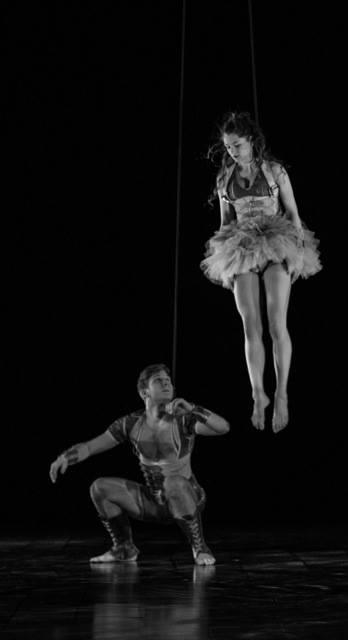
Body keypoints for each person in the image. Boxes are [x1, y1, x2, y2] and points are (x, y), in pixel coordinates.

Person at [201, 112, 322, 433]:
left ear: (251, 141)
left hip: (275, 241)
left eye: (237, 145)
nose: (232, 152)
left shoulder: (274, 171)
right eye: (228, 147)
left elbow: (293, 213)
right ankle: (258, 394)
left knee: (276, 322)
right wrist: (223, 262)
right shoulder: (225, 178)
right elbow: (225, 222)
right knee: (250, 325)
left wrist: (297, 254)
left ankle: (281, 394)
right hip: (241, 247)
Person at [49, 363, 229, 566]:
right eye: (158, 381)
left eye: (168, 380)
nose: (166, 383)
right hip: (153, 502)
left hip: (188, 497)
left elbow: (223, 428)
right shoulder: (131, 423)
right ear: (144, 392)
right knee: (99, 488)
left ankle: (200, 547)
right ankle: (124, 548)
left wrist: (193, 409)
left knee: (173, 483)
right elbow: (90, 447)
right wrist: (65, 457)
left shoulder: (183, 419)